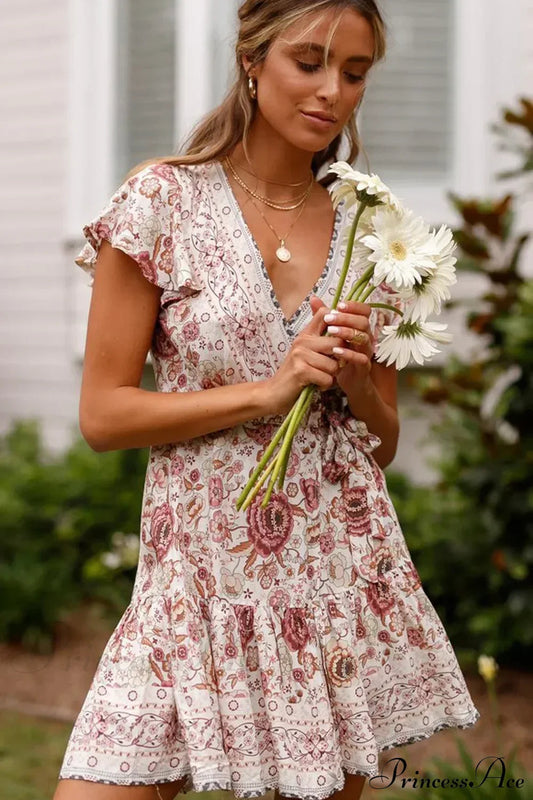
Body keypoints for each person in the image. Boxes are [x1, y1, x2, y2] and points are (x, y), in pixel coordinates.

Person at [53, 1, 480, 799]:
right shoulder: (160, 203)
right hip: (192, 593)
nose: (332, 92)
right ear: (252, 60)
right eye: (308, 62)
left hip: (331, 585)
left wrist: (354, 381)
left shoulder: (373, 229)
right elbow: (105, 416)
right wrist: (270, 390)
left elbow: (380, 442)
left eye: (354, 73)